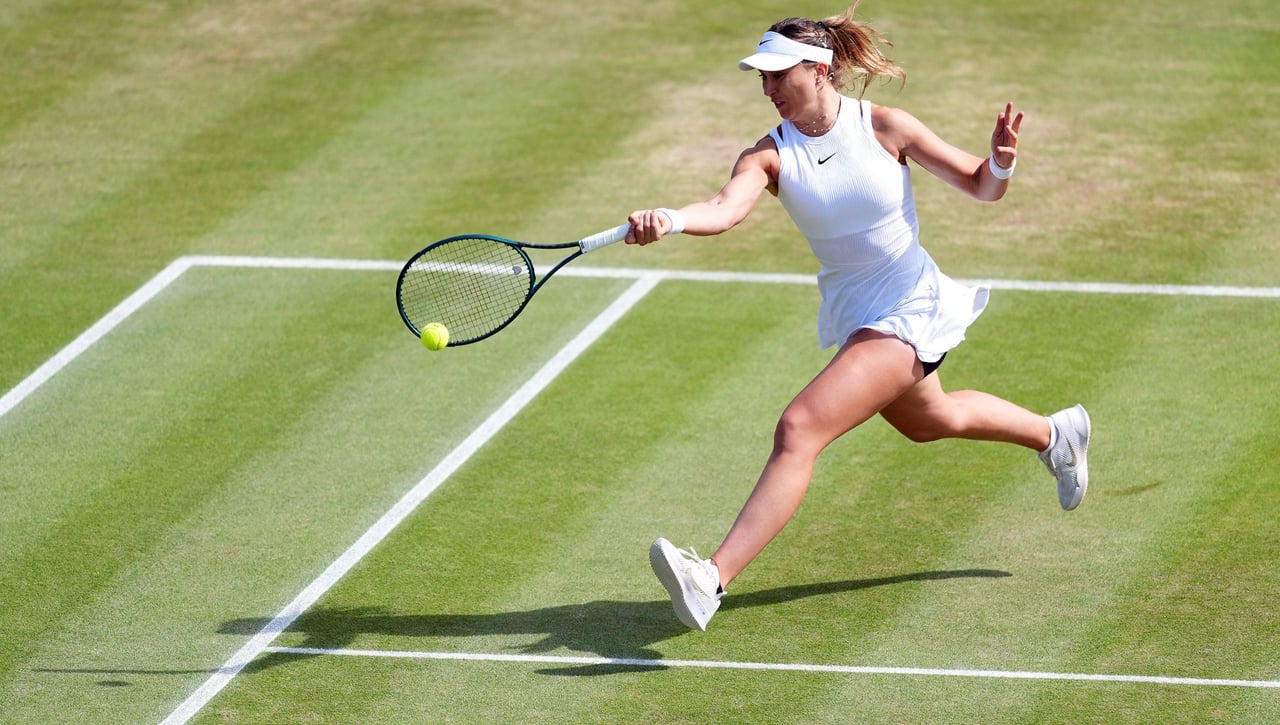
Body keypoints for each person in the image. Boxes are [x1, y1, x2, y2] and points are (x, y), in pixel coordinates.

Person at [626, 3, 1091, 631]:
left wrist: (1002, 159)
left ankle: (710, 579)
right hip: (858, 316)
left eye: (777, 75)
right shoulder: (767, 156)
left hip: (910, 308)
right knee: (934, 419)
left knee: (799, 428)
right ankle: (1055, 434)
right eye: (761, 78)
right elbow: (722, 209)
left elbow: (984, 186)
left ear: (819, 70)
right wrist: (672, 220)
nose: (767, 89)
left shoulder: (885, 127)